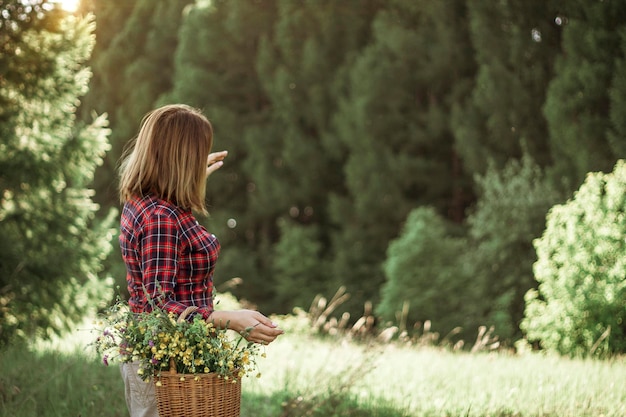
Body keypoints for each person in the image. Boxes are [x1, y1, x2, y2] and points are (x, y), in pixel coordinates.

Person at [117, 104, 283, 417]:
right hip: (166, 365)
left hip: (166, 358)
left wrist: (192, 171)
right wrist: (228, 319)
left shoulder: (146, 200)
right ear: (180, 159)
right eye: (196, 154)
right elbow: (157, 309)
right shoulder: (161, 217)